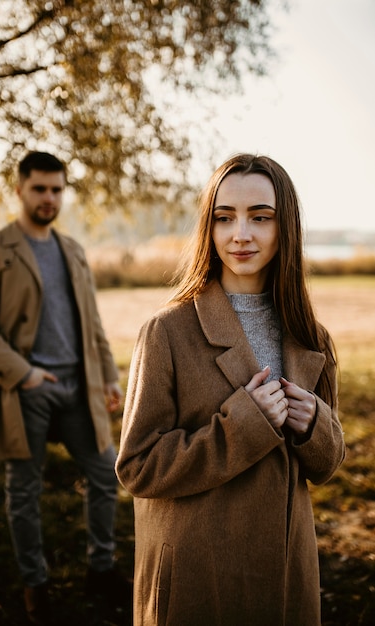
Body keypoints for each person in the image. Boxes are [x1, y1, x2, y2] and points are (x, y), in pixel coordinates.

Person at [115, 153, 345, 626]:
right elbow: (137, 467)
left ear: (286, 228)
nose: (241, 234)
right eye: (225, 218)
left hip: (286, 577)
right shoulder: (166, 332)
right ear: (209, 229)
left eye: (260, 217)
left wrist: (315, 426)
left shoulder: (311, 336)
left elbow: (327, 464)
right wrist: (242, 426)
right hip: (200, 579)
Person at [0, 151, 131, 625]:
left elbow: (92, 321)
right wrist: (25, 374)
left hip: (80, 385)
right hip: (26, 389)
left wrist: (110, 376)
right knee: (24, 490)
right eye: (40, 189)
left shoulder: (73, 250)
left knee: (104, 472)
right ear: (19, 190)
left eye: (57, 189)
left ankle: (102, 567)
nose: (49, 198)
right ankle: (35, 584)